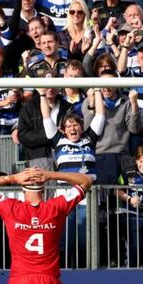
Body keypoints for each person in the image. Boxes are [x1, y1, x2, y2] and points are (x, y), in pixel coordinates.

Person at [42, 86, 105, 269]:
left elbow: (100, 115)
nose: (72, 128)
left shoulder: (89, 139)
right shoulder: (58, 141)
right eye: (68, 126)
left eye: (75, 124)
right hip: (65, 198)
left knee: (86, 238)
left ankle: (87, 271)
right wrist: (41, 94)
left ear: (81, 126)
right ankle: (65, 270)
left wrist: (98, 89)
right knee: (65, 238)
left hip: (87, 199)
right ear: (63, 129)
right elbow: (46, 117)